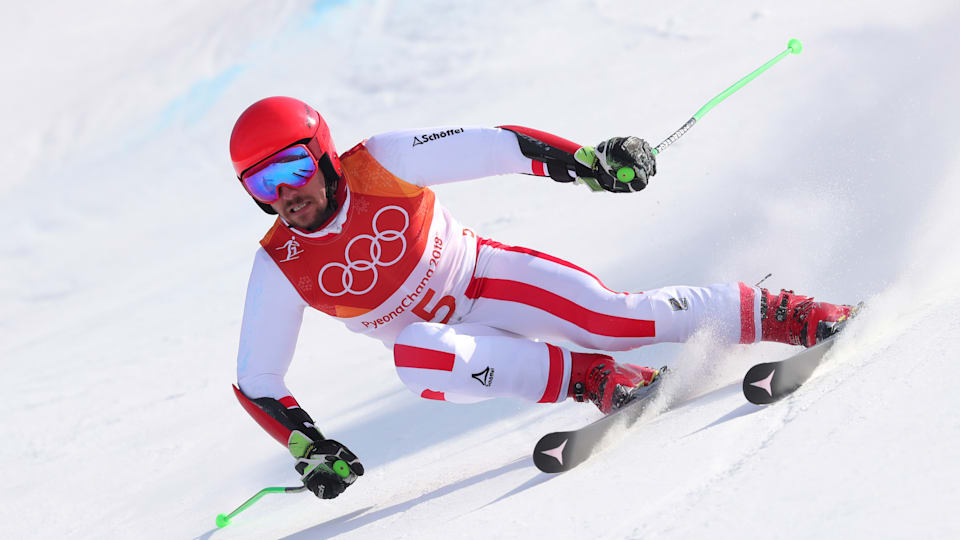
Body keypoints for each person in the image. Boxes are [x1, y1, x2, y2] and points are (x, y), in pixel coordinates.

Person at [228, 96, 854, 500]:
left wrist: (587, 162)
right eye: (262, 183)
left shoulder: (381, 162)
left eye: (291, 169)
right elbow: (257, 376)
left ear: (323, 155)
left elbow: (497, 145)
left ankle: (788, 314)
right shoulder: (280, 262)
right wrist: (309, 447)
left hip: (483, 275)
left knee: (614, 318)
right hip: (444, 340)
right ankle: (602, 382)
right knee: (416, 357)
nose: (284, 193)